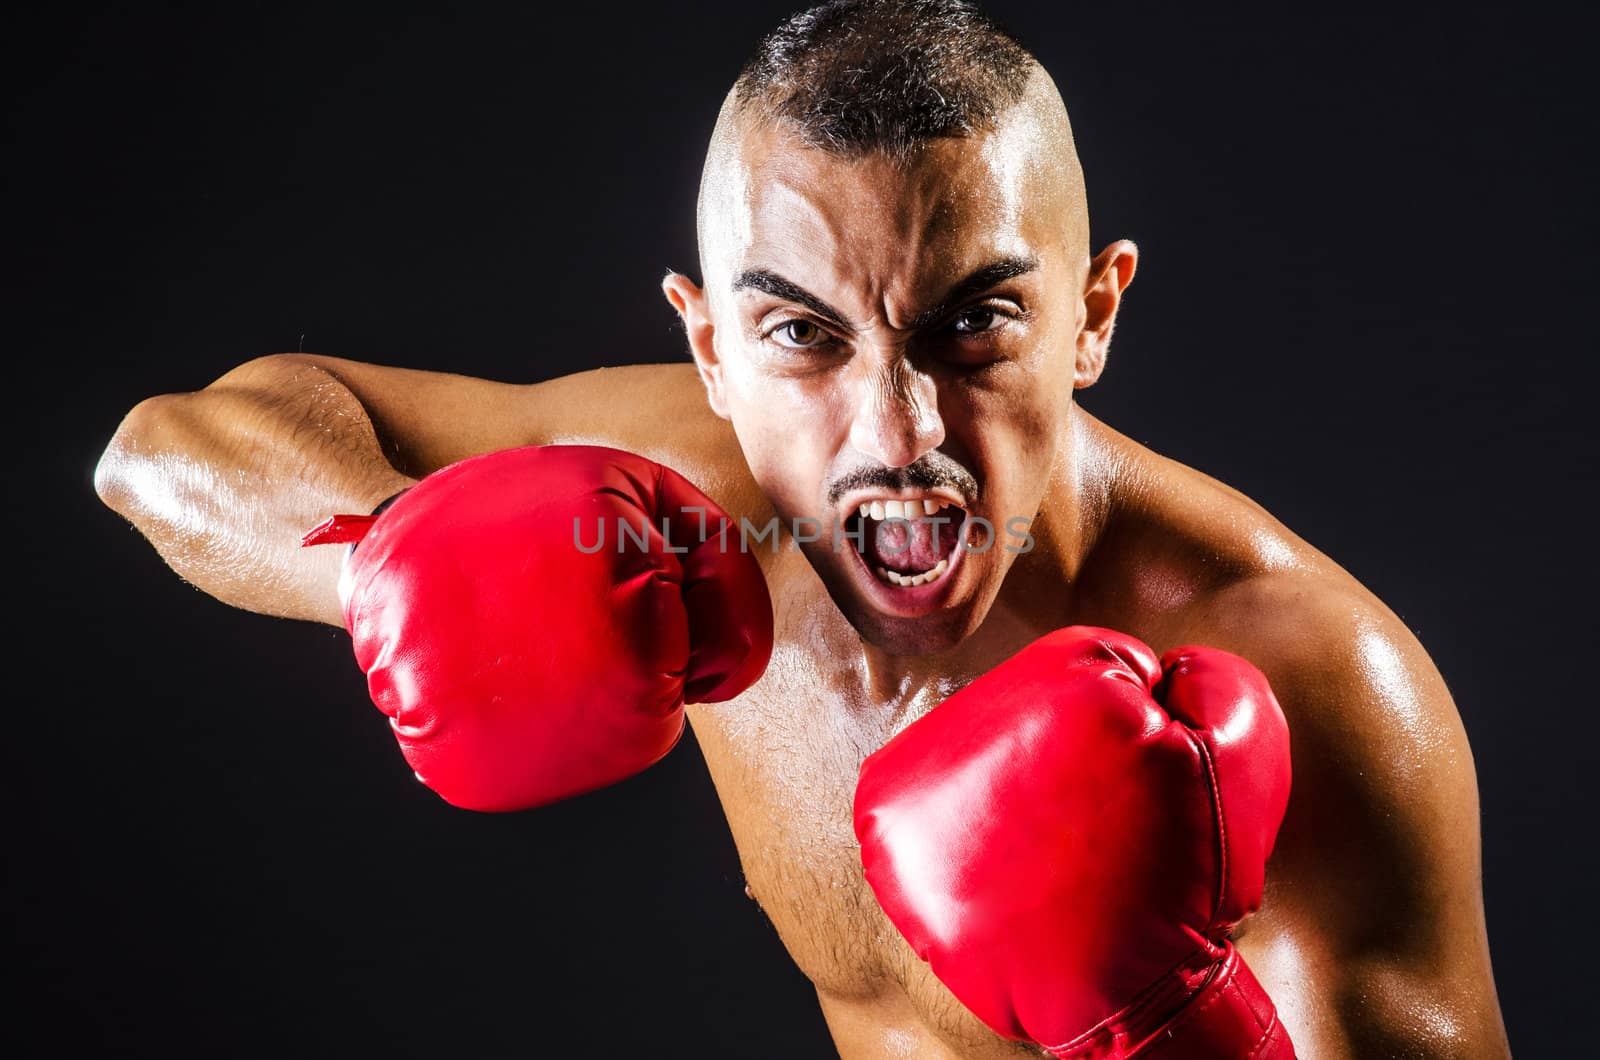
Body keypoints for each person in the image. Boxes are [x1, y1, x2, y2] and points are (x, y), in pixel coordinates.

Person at [93, 1, 1509, 1056]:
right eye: (802, 337)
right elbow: (161, 454)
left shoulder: (1309, 685)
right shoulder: (681, 489)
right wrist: (394, 559)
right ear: (709, 349)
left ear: (1094, 314)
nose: (896, 436)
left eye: (974, 325)